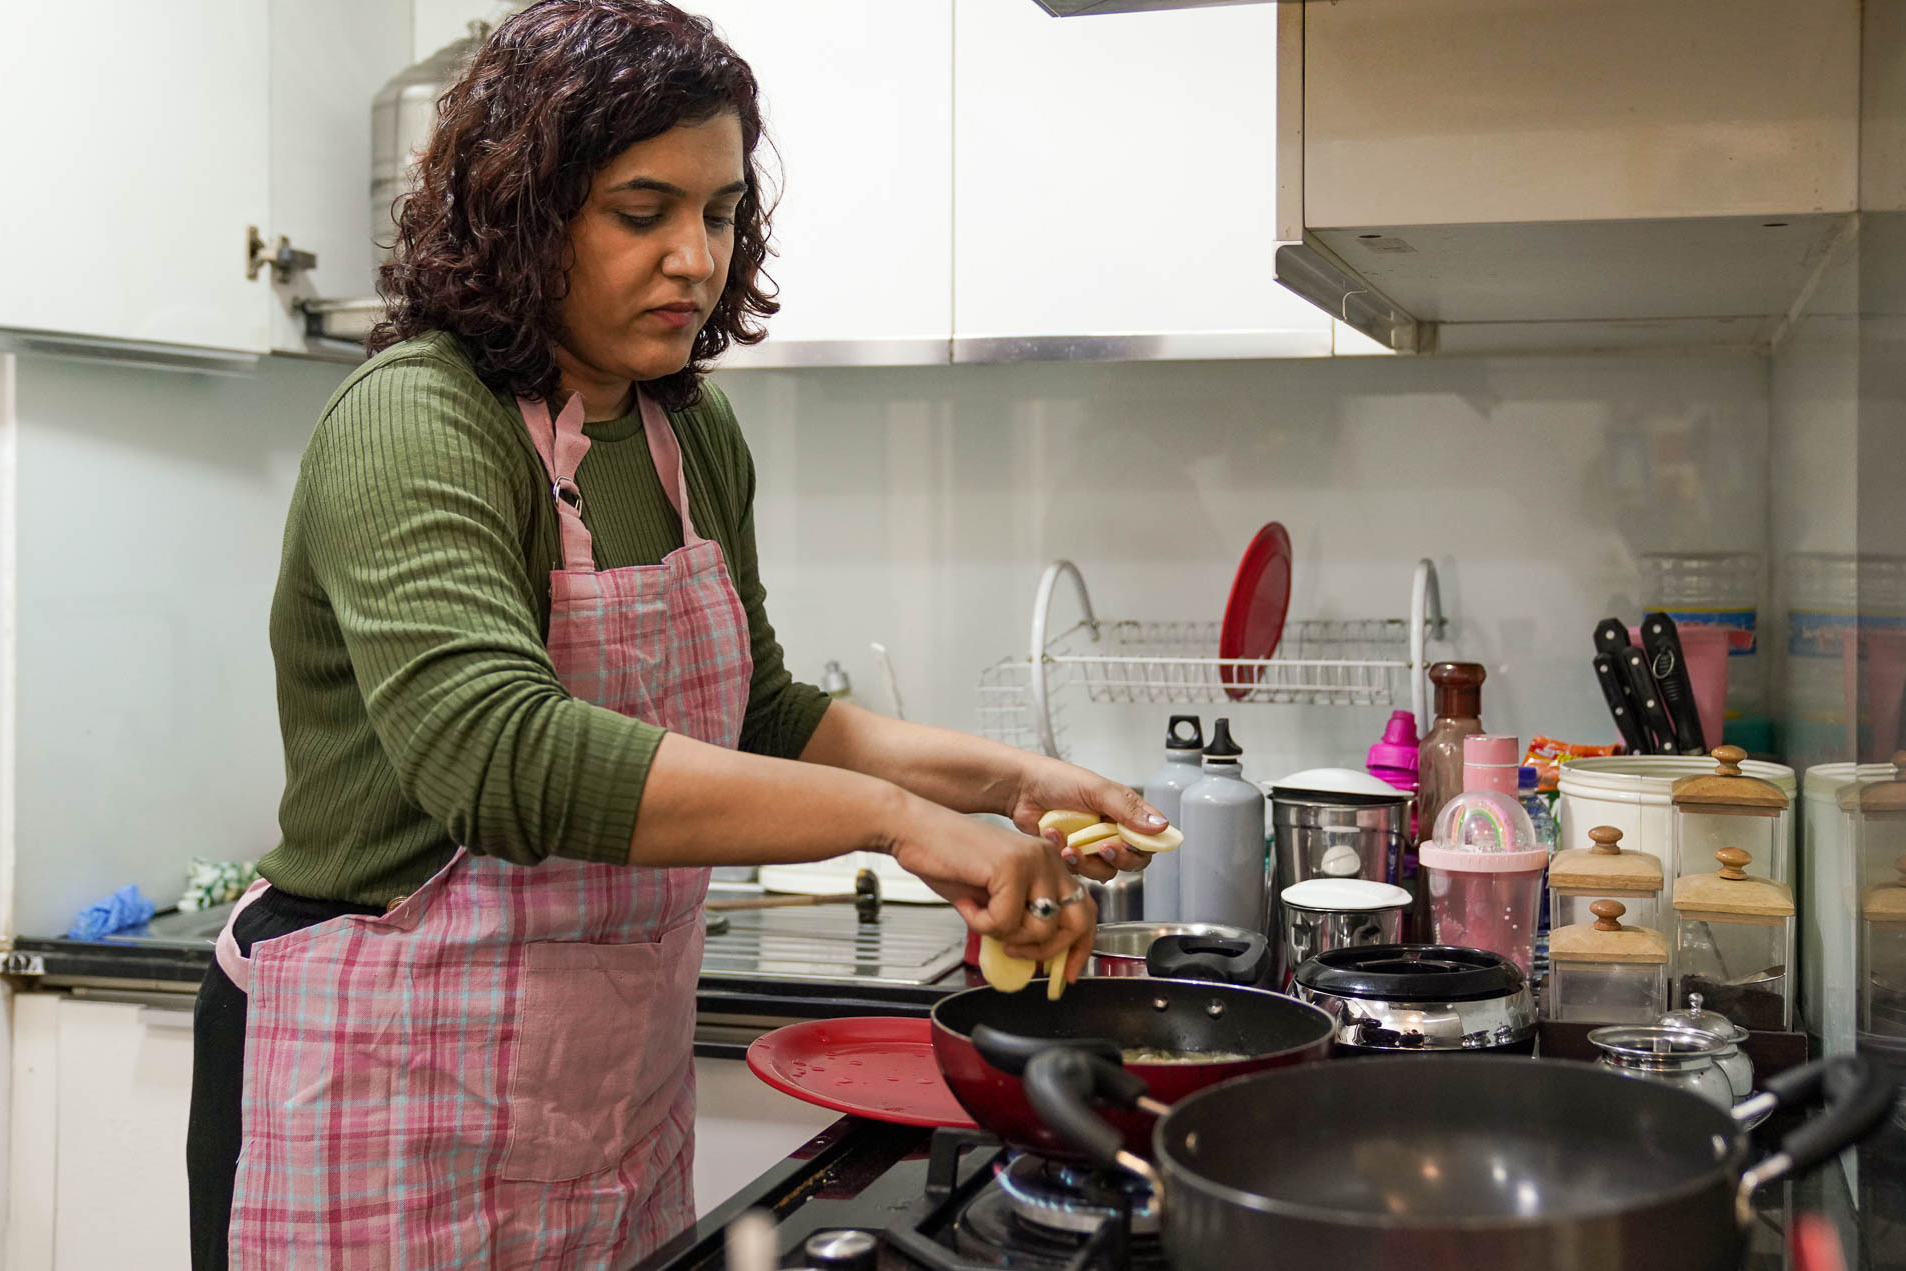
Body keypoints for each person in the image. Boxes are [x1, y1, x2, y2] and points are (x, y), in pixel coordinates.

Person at [184, 3, 1162, 1266]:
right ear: (526, 213)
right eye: (642, 212)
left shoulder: (687, 433)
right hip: (382, 1060)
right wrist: (899, 821)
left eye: (719, 211)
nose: (695, 258)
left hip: (597, 1082)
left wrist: (1009, 779)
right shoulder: (416, 420)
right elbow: (497, 757)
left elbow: (758, 708)